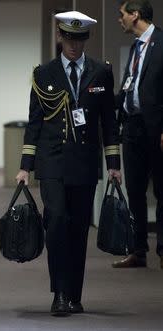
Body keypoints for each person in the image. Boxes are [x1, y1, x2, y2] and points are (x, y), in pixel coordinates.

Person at [16, 11, 121, 316]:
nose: (74, 45)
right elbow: (34, 122)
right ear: (60, 37)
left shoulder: (101, 71)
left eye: (80, 38)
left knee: (78, 229)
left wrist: (113, 162)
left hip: (85, 163)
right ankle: (59, 292)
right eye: (69, 38)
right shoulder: (43, 74)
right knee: (57, 222)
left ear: (86, 39)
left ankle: (74, 294)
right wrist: (25, 165)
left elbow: (108, 122)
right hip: (52, 163)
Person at [112, 0, 163, 269]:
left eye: (122, 15)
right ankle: (138, 250)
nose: (119, 19)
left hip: (156, 129)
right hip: (132, 128)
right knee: (135, 191)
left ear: (135, 15)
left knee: (162, 190)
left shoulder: (162, 43)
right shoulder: (135, 47)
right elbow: (130, 86)